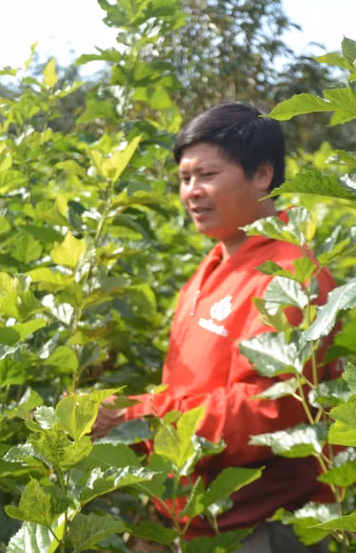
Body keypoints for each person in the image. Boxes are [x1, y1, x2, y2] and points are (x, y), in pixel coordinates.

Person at [93, 103, 339, 552]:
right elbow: (193, 387)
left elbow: (270, 412)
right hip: (192, 519)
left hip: (259, 529)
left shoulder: (289, 275)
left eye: (206, 175)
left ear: (262, 175)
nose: (191, 192)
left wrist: (139, 418)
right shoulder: (209, 269)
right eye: (184, 179)